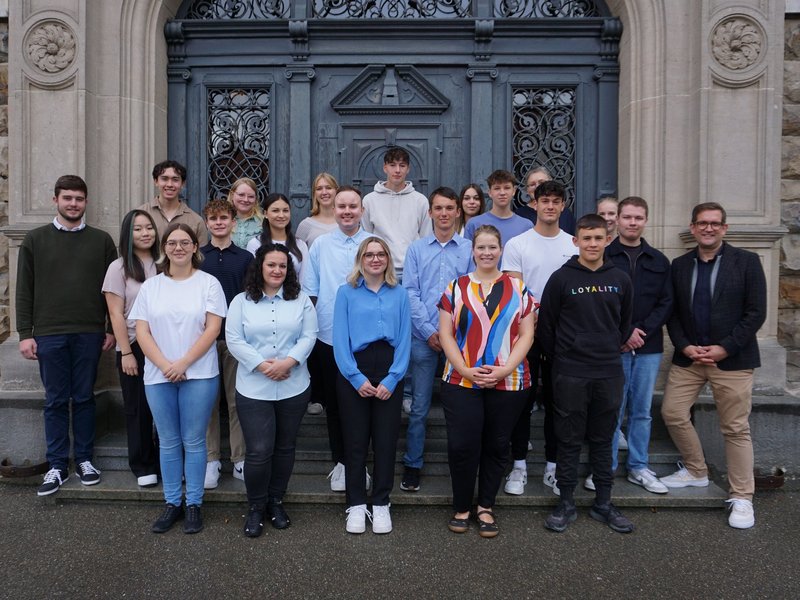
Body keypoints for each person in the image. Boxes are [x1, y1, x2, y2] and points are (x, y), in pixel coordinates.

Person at [659, 202, 766, 529]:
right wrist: (685, 345)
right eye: (702, 223)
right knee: (672, 413)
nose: (708, 228)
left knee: (735, 428)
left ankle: (742, 497)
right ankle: (696, 470)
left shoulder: (746, 263)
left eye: (714, 223)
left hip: (732, 360)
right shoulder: (679, 265)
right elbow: (672, 312)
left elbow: (755, 313)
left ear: (724, 228)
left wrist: (725, 348)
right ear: (692, 228)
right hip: (690, 358)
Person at [17, 175, 117, 496]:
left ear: (86, 202)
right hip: (49, 333)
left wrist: (111, 329)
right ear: (55, 200)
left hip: (89, 332)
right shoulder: (35, 240)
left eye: (79, 199)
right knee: (56, 400)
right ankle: (57, 465)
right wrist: (24, 333)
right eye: (67, 198)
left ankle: (85, 460)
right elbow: (24, 290)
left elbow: (113, 292)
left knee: (85, 397)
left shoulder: (102, 241)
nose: (73, 204)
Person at [538, 214, 634, 534]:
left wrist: (606, 347)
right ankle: (566, 502)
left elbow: (624, 324)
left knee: (603, 438)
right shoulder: (561, 279)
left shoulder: (620, 278)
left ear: (608, 240)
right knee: (568, 438)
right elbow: (547, 326)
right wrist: (564, 357)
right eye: (586, 238)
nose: (592, 244)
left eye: (598, 238)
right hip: (570, 372)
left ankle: (603, 503)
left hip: (608, 370)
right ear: (575, 241)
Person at [438, 225, 535, 538]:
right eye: (481, 247)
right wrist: (465, 370)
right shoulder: (456, 287)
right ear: (473, 251)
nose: (487, 252)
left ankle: (486, 506)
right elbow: (446, 334)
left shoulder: (519, 289)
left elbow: (527, 333)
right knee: (462, 444)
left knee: (496, 444)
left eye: (493, 247)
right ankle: (462, 506)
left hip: (509, 381)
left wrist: (505, 369)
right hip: (461, 380)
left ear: (501, 249)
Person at [130, 223, 227, 534]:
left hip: (199, 373)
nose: (179, 248)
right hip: (158, 376)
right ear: (164, 248)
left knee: (195, 440)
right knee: (169, 442)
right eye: (172, 243)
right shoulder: (151, 287)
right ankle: (172, 503)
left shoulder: (209, 284)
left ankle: (194, 504)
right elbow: (141, 331)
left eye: (185, 242)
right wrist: (165, 365)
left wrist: (183, 362)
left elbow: (213, 329)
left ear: (195, 247)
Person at [226, 243, 318, 538]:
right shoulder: (241, 301)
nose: (277, 270)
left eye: (282, 266)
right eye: (271, 265)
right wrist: (263, 366)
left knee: (284, 447)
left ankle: (276, 501)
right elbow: (234, 339)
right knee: (259, 451)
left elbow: (309, 335)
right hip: (254, 387)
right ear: (260, 268)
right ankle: (255, 507)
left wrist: (288, 362)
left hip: (293, 384)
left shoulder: (300, 299)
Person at [502, 180, 576, 496]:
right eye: (543, 200)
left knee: (559, 404)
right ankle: (518, 465)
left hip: (565, 336)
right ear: (534, 204)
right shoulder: (518, 244)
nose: (549, 206)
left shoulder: (574, 244)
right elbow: (516, 292)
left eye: (555, 201)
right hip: (525, 333)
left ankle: (552, 467)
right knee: (521, 401)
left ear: (563, 206)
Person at [334, 237, 411, 535]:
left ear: (388, 260)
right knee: (354, 442)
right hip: (356, 368)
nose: (375, 259)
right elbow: (340, 340)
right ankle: (355, 504)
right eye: (370, 254)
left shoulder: (399, 294)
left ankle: (380, 503)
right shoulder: (346, 293)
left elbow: (405, 339)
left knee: (385, 441)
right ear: (361, 259)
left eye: (381, 254)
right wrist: (355, 378)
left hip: (389, 366)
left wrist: (393, 378)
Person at [302, 186, 373, 492]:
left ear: (362, 210)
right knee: (335, 404)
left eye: (352, 206)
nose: (346, 211)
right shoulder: (320, 245)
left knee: (365, 402)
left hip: (368, 339)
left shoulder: (374, 244)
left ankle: (362, 463)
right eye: (341, 206)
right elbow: (310, 291)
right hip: (329, 336)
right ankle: (342, 463)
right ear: (334, 209)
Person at [400, 187, 471, 493]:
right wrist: (430, 331)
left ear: (458, 212)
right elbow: (410, 293)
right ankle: (413, 464)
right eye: (438, 208)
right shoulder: (417, 250)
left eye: (449, 208)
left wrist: (449, 335)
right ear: (429, 213)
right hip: (422, 338)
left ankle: (464, 466)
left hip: (461, 340)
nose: (444, 214)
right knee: (419, 407)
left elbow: (473, 294)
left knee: (463, 407)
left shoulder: (469, 248)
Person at [604, 196, 672, 495]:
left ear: (645, 221)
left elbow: (666, 302)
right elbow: (602, 302)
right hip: (613, 346)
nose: (632, 223)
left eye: (638, 218)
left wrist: (640, 331)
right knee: (612, 409)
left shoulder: (659, 260)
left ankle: (638, 466)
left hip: (648, 345)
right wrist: (623, 332)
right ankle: (605, 468)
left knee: (642, 410)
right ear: (617, 220)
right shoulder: (604, 256)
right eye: (627, 217)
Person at [102, 209, 160, 487]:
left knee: (163, 408)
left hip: (165, 346)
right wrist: (125, 352)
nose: (145, 233)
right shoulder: (119, 267)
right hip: (134, 345)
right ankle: (142, 463)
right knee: (138, 408)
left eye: (149, 227)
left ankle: (165, 461)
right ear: (128, 233)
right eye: (138, 229)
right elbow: (115, 314)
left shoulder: (165, 262)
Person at [199, 199, 254, 490]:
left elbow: (250, 297)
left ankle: (239, 457)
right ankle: (211, 459)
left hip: (234, 339)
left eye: (224, 218)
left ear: (234, 222)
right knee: (208, 402)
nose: (219, 223)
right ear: (206, 223)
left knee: (236, 400)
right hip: (203, 339)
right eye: (213, 218)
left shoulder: (245, 258)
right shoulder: (197, 257)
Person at [361, 147, 432, 279]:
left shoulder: (420, 201)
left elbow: (426, 239)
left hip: (413, 270)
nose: (397, 170)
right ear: (385, 168)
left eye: (402, 165)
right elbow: (366, 237)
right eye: (392, 165)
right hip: (381, 270)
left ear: (408, 169)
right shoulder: (369, 200)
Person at [463, 170, 533, 266]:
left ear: (514, 191)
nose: (502, 193)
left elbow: (528, 261)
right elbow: (468, 261)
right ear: (490, 192)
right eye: (497, 188)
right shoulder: (474, 223)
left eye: (507, 188)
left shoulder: (526, 225)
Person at [138, 160, 208, 242]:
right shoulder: (140, 214)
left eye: (175, 180)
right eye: (164, 179)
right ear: (156, 181)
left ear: (182, 183)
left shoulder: (196, 221)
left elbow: (200, 254)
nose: (170, 184)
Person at [246, 193, 308, 282]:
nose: (281, 215)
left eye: (285, 210)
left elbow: (304, 280)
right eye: (275, 210)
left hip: (294, 294)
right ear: (265, 214)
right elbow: (254, 277)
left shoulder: (300, 245)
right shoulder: (255, 244)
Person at [514, 166, 576, 234]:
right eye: (532, 184)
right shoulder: (519, 215)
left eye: (541, 183)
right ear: (527, 190)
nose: (537, 187)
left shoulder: (565, 214)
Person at [296, 172, 339, 248]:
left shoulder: (346, 222)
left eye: (328, 188)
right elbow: (299, 257)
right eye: (319, 189)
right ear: (314, 194)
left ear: (336, 191)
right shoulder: (306, 225)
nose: (324, 192)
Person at [228, 178, 263, 249]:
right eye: (241, 195)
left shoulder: (264, 222)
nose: (246, 200)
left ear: (256, 199)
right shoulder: (221, 221)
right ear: (232, 195)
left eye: (251, 196)